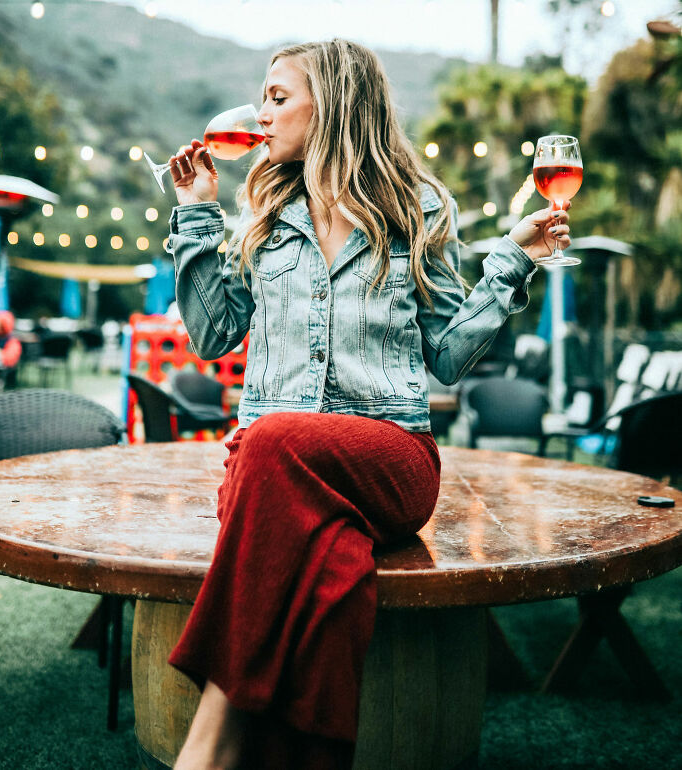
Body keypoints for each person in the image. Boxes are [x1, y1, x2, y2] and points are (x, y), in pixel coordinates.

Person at [165, 39, 571, 770]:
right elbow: (213, 335)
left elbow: (446, 355)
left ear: (333, 104)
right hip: (273, 472)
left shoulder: (417, 209)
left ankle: (211, 739)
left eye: (278, 97)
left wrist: (511, 259)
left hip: (389, 458)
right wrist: (197, 214)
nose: (261, 112)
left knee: (268, 441)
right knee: (329, 566)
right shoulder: (262, 210)